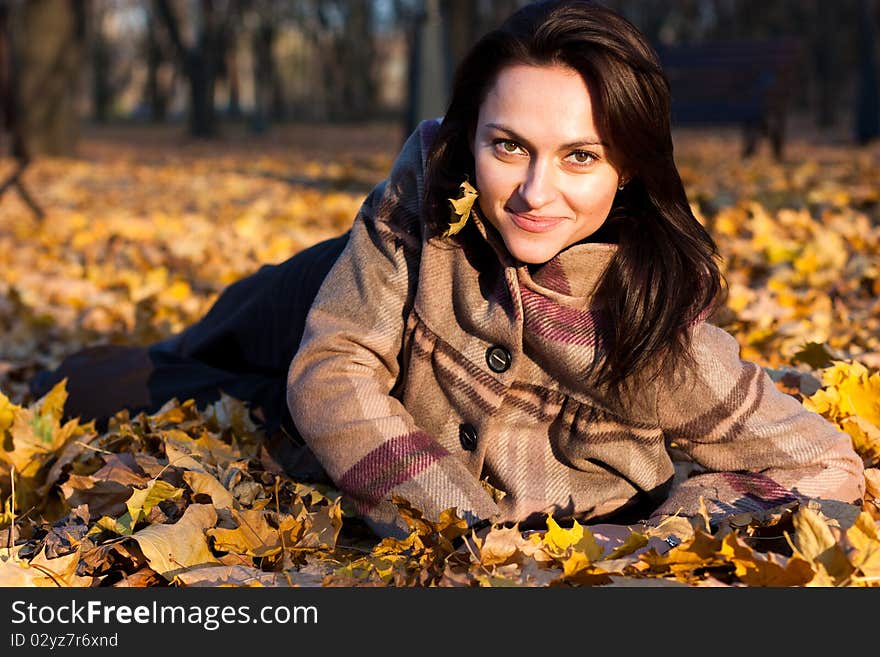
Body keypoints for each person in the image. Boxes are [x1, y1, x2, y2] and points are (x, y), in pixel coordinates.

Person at [33, 0, 865, 542]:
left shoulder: (658, 335)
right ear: (471, 139)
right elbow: (333, 364)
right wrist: (461, 527)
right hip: (354, 290)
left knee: (192, 392)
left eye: (580, 157)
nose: (535, 193)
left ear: (628, 172)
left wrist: (653, 535)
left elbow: (827, 464)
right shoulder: (428, 188)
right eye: (509, 146)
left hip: (362, 410)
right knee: (176, 346)